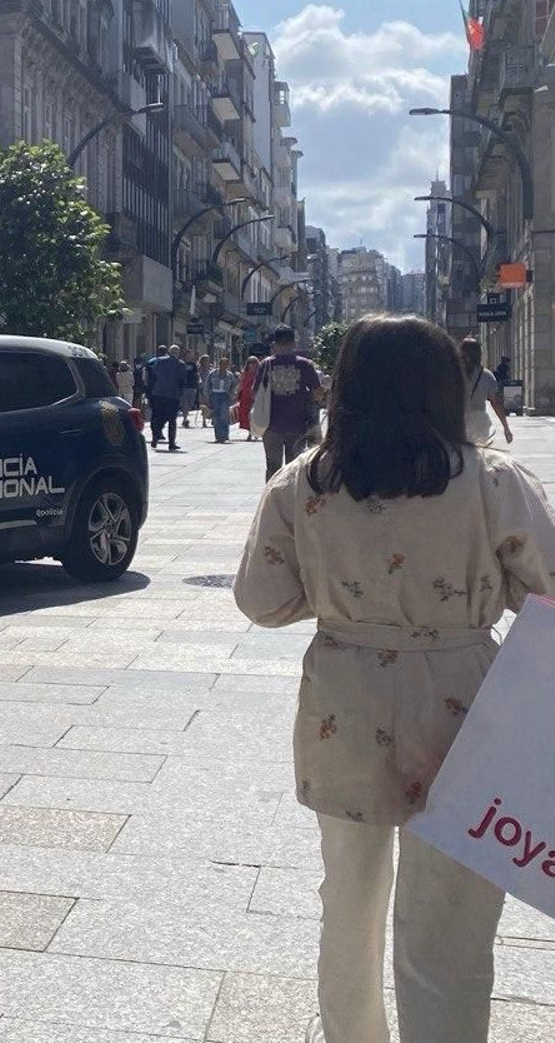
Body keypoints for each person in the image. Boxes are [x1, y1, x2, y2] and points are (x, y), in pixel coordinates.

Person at [235, 315, 555, 1043]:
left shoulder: (302, 484)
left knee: (347, 902)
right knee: (450, 921)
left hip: (343, 705)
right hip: (467, 707)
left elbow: (261, 599)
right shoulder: (490, 480)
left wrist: (342, 595)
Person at [253, 325, 322, 478]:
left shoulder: (266, 364)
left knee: (272, 468)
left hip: (271, 426)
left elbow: (255, 393)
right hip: (298, 426)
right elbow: (317, 394)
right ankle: (292, 500)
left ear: (274, 344)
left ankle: (271, 499)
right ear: (294, 343)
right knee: (295, 469)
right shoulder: (305, 365)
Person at [461, 337, 513, 446]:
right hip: (480, 422)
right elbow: (496, 404)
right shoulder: (487, 376)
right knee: (482, 456)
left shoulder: (454, 374)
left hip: (460, 420)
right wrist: (506, 427)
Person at [145, 344, 185, 452]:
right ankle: (171, 443)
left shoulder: (160, 361)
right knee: (172, 419)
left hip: (159, 392)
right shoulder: (181, 364)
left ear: (169, 352)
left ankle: (155, 437)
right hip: (173, 394)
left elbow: (155, 372)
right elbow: (182, 380)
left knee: (157, 415)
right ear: (178, 353)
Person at [205, 357, 240, 444]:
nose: (224, 366)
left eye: (226, 364)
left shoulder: (230, 375)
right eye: (222, 364)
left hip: (225, 395)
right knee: (216, 416)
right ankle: (218, 436)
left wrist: (232, 395)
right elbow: (207, 385)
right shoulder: (212, 374)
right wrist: (208, 396)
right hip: (215, 395)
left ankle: (224, 435)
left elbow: (234, 385)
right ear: (219, 364)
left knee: (224, 416)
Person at [238, 355, 260, 442]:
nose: (252, 364)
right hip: (245, 396)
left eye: (254, 362)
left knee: (255, 415)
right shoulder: (244, 372)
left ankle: (253, 432)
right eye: (250, 362)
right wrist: (237, 394)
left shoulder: (260, 372)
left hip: (256, 396)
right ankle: (250, 432)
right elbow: (241, 383)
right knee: (246, 415)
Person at [180, 348, 199, 428]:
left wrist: (197, 382)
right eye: (188, 354)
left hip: (192, 386)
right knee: (185, 403)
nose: (190, 356)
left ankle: (186, 414)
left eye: (191, 355)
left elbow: (196, 374)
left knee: (191, 403)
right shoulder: (181, 363)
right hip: (184, 386)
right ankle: (185, 419)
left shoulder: (193, 365)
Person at [196, 355, 214, 428]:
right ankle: (204, 421)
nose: (207, 362)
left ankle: (213, 419)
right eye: (205, 360)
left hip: (210, 389)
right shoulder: (199, 369)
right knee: (203, 406)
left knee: (212, 405)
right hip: (202, 389)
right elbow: (198, 377)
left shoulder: (211, 369)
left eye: (208, 360)